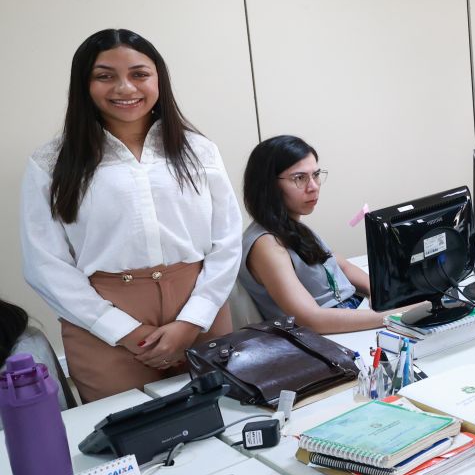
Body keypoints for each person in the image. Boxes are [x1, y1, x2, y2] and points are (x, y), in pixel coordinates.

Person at [21, 28, 242, 401]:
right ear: (84, 85)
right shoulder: (51, 163)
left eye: (139, 74)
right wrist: (124, 331)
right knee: (130, 430)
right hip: (102, 323)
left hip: (200, 308)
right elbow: (44, 263)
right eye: (105, 76)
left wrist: (193, 320)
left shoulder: (198, 150)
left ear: (159, 80)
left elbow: (228, 239)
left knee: (227, 416)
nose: (125, 88)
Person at [241, 135, 409, 333]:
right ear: (268, 185)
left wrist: (381, 294)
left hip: (354, 312)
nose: (313, 186)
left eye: (316, 175)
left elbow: (342, 266)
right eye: (300, 178)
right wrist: (398, 314)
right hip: (327, 334)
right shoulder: (266, 245)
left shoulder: (292, 226)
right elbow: (311, 320)